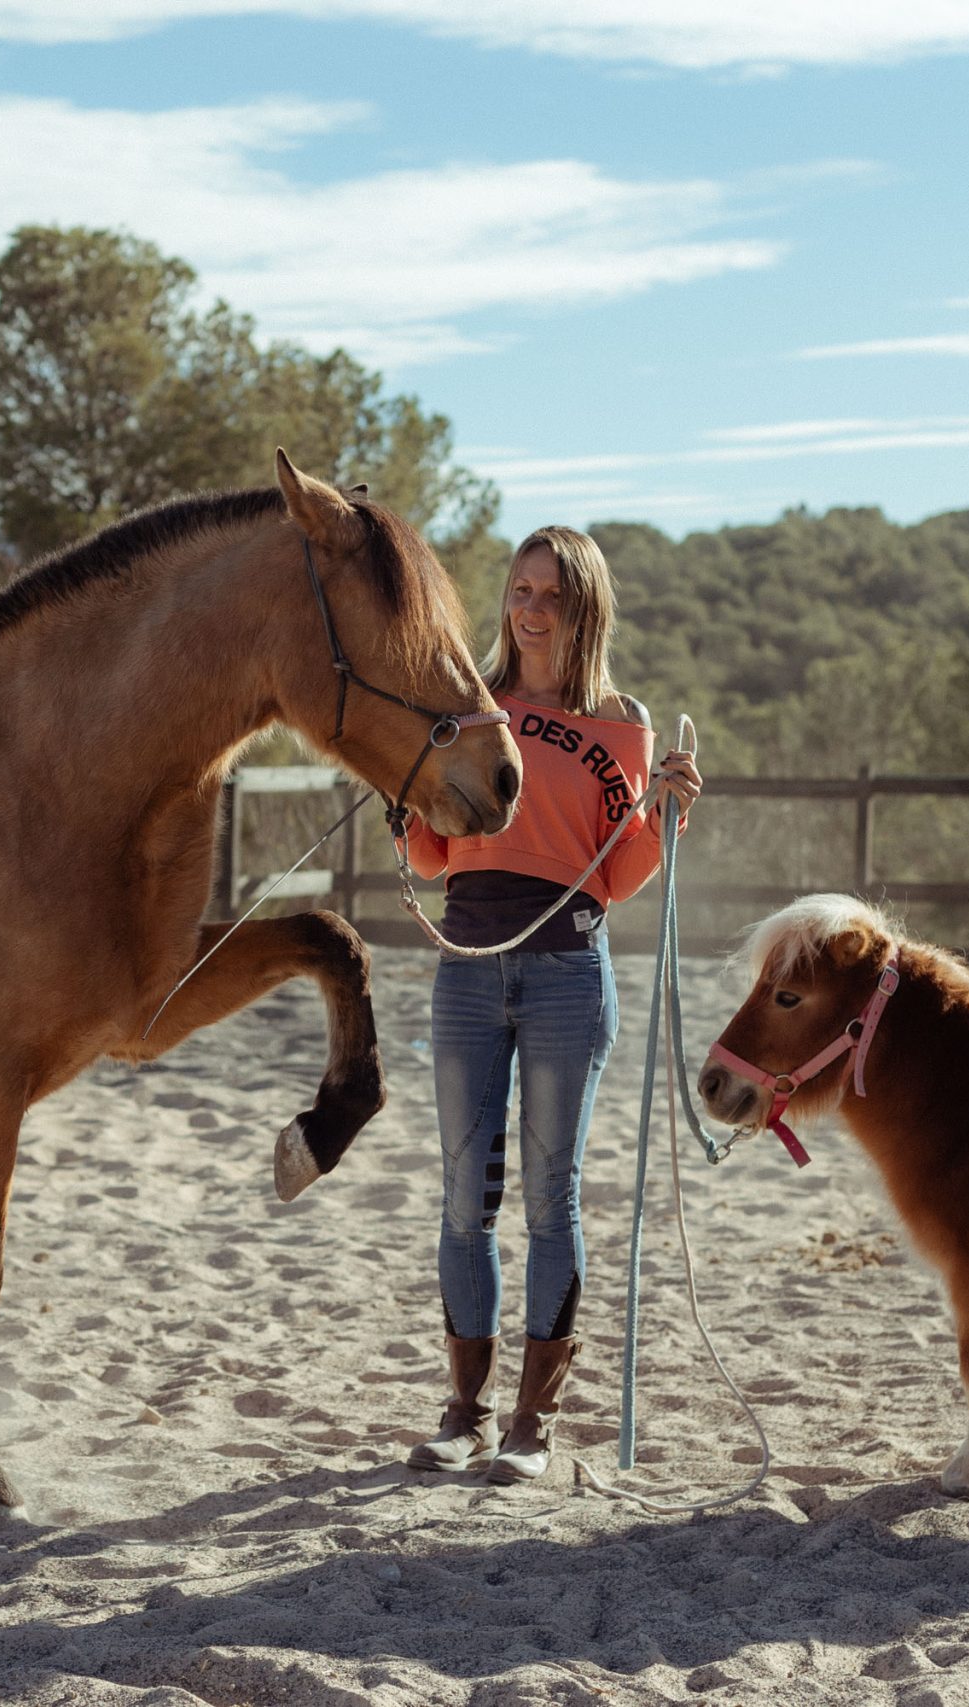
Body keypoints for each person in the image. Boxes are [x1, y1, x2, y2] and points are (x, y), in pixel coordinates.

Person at [401, 525, 699, 1482]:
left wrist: (662, 815)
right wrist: (406, 794)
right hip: (468, 969)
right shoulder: (470, 710)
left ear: (584, 609)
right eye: (519, 590)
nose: (529, 610)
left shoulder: (620, 723)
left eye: (551, 595)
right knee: (462, 1198)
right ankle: (463, 1414)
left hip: (569, 971)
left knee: (548, 1198)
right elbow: (435, 856)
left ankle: (532, 1424)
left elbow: (617, 878)